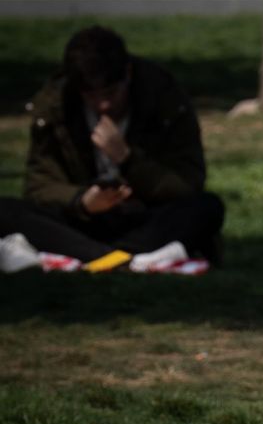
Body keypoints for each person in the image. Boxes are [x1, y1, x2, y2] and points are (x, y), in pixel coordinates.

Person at [0, 26, 224, 274]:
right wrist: (82, 201)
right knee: (6, 210)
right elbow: (38, 185)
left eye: (110, 93)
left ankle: (96, 256)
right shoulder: (57, 107)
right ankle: (123, 259)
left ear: (127, 74)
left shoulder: (163, 98)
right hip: (82, 221)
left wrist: (128, 160)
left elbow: (187, 182)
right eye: (91, 96)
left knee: (206, 207)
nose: (102, 104)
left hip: (145, 217)